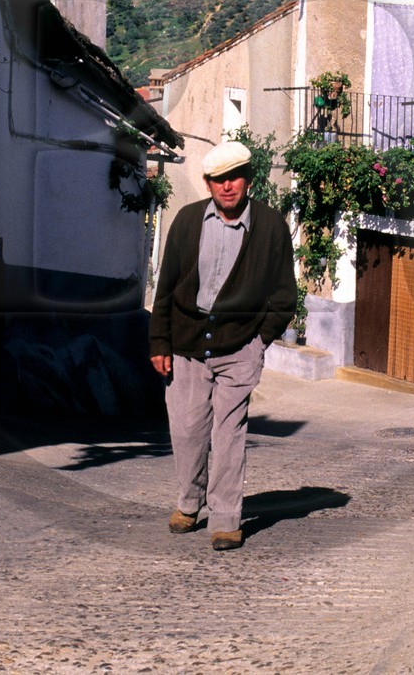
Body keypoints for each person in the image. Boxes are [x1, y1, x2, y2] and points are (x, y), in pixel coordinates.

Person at [149, 140, 298, 551]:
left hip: (239, 348)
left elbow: (284, 296)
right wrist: (159, 341)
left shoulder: (271, 227)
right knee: (187, 430)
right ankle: (189, 502)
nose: (227, 186)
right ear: (208, 183)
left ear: (248, 180)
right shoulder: (187, 221)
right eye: (218, 180)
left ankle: (226, 518)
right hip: (187, 345)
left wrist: (258, 342)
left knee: (229, 433)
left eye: (234, 178)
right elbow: (166, 288)